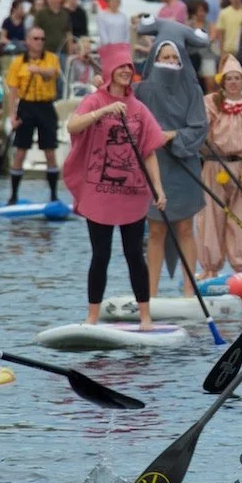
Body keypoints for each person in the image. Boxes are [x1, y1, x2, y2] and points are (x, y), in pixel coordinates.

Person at [64, 43, 167, 329]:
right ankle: (92, 317)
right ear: (110, 70)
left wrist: (159, 189)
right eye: (121, 67)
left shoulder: (139, 109)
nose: (125, 71)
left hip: (132, 193)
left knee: (134, 254)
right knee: (101, 255)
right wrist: (104, 110)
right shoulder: (95, 100)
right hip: (99, 193)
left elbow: (149, 152)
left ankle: (145, 317)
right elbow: (73, 126)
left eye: (129, 68)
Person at [133, 19, 210, 298]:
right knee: (155, 230)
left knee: (185, 227)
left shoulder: (193, 90)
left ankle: (189, 291)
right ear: (154, 59)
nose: (168, 62)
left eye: (173, 57)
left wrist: (173, 136)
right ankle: (151, 294)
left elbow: (199, 127)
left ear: (182, 61)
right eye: (164, 57)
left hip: (183, 163)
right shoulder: (142, 91)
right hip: (153, 165)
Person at [197, 56, 242, 278]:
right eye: (229, 78)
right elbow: (199, 127)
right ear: (223, 81)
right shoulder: (211, 104)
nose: (233, 82)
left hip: (241, 170)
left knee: (241, 219)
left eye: (237, 78)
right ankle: (210, 268)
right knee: (211, 217)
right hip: (213, 167)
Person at [4, 26, 62, 205]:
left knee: (50, 152)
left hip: (46, 107)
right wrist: (12, 115)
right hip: (26, 107)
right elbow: (13, 90)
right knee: (20, 151)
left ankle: (53, 195)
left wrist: (38, 70)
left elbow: (53, 73)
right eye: (36, 39)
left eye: (42, 39)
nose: (40, 42)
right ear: (28, 41)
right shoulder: (18, 62)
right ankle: (13, 196)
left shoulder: (51, 58)